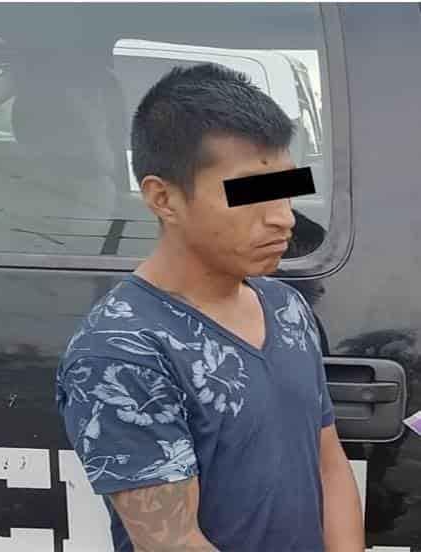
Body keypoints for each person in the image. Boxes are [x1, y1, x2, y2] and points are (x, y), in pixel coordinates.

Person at [56, 63, 364, 552]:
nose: (283, 218)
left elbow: (329, 463)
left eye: (286, 189)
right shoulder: (121, 352)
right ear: (164, 198)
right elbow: (173, 542)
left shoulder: (285, 307)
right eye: (250, 194)